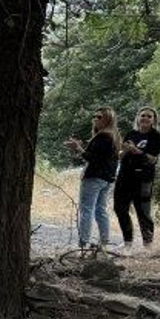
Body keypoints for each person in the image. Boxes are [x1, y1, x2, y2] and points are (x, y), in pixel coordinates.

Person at [64, 106, 119, 249]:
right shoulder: (113, 136)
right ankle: (104, 242)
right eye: (94, 116)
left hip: (94, 178)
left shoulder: (103, 136)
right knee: (100, 209)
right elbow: (102, 158)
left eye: (99, 117)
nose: (95, 119)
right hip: (107, 179)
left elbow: (92, 159)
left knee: (87, 210)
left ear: (108, 119)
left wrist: (79, 148)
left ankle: (83, 243)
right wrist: (80, 149)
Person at [115, 105, 160, 247]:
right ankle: (127, 241)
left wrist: (137, 151)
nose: (145, 118)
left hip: (143, 177)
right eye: (143, 115)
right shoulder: (131, 134)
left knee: (142, 210)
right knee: (120, 208)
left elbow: (153, 159)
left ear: (153, 120)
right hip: (124, 175)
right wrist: (124, 151)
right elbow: (120, 156)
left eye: (149, 116)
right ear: (138, 118)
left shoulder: (156, 137)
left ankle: (147, 244)